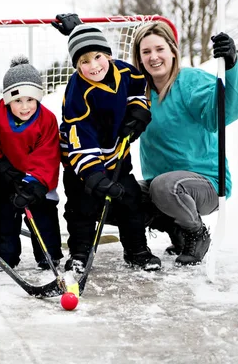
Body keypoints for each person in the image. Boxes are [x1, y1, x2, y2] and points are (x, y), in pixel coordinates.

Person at [131, 21, 238, 266]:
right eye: (146, 52)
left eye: (159, 49)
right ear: (139, 58)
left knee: (165, 186)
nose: (154, 57)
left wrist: (231, 64)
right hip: (159, 187)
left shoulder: (191, 81)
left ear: (173, 50)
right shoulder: (139, 91)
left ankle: (197, 233)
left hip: (205, 184)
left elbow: (225, 111)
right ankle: (174, 227)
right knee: (118, 195)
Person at [52, 19, 161, 273]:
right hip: (82, 167)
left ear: (108, 55)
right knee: (82, 209)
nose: (93, 66)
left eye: (97, 56)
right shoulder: (78, 95)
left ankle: (137, 251)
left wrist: (138, 113)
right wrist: (94, 175)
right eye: (84, 62)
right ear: (77, 66)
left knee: (131, 201)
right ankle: (79, 254)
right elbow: (80, 137)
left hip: (118, 156)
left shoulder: (124, 72)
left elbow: (138, 88)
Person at [0, 56, 63, 270]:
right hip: (5, 176)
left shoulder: (47, 120)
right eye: (17, 100)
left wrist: (33, 183)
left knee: (43, 214)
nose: (25, 107)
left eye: (30, 99)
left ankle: (49, 255)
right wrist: (1, 166)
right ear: (8, 100)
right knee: (5, 215)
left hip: (38, 180)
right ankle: (5, 255)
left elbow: (48, 155)